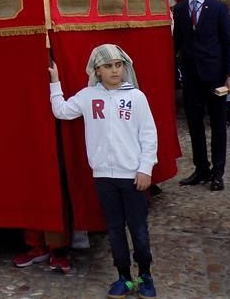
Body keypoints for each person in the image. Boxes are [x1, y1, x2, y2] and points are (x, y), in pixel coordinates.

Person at [49, 44, 158, 299]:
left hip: (132, 176)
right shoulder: (88, 96)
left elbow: (149, 134)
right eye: (108, 66)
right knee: (114, 228)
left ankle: (145, 275)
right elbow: (62, 111)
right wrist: (55, 82)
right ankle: (123, 277)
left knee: (139, 229)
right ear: (97, 70)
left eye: (118, 65)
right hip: (103, 177)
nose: (115, 71)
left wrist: (145, 168)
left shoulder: (136, 98)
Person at [172, 0, 230, 191]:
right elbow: (176, 43)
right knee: (194, 124)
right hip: (192, 76)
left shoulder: (218, 9)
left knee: (218, 124)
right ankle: (202, 168)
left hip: (216, 75)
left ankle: (218, 172)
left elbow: (229, 43)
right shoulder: (180, 10)